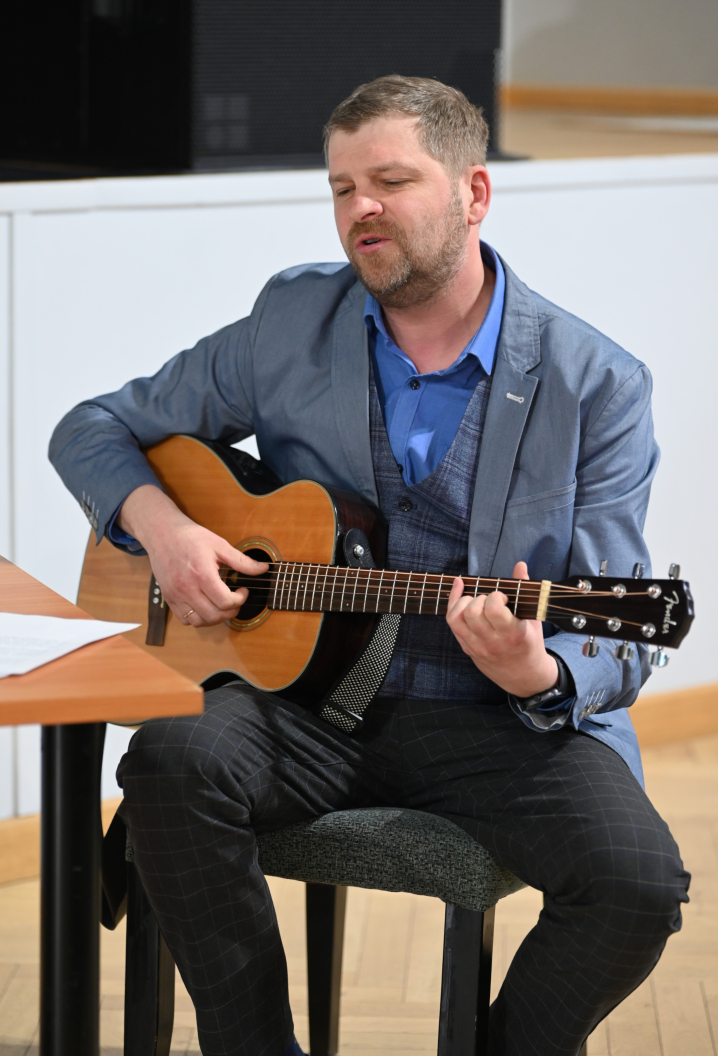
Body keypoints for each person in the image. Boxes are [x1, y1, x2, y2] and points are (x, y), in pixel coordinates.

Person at [49, 75, 689, 1056]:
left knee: (636, 883)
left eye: (390, 181)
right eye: (343, 188)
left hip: (499, 724)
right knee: (171, 763)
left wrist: (539, 672)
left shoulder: (594, 382)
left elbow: (617, 647)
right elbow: (92, 428)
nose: (362, 210)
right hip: (311, 705)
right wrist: (164, 530)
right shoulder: (290, 321)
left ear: (474, 192)